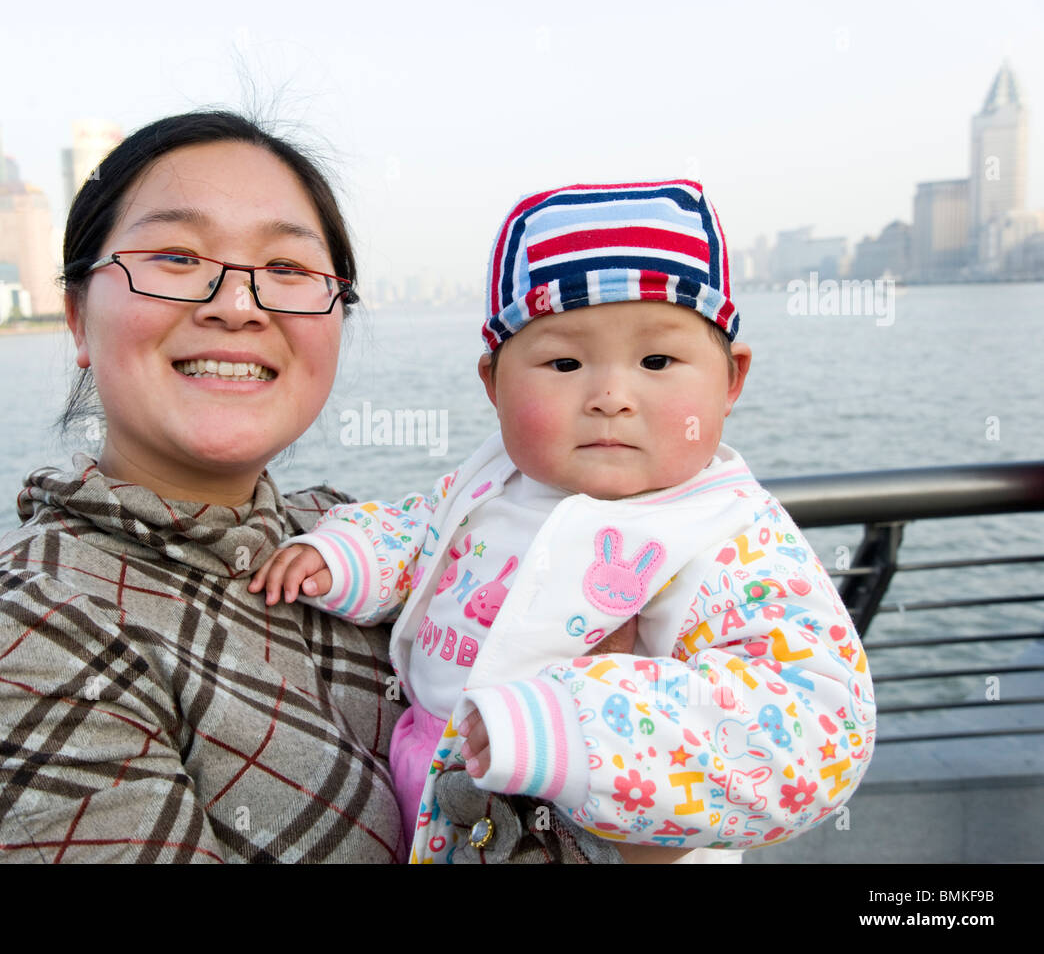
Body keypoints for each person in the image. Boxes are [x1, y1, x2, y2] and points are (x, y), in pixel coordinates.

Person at [252, 180, 877, 864]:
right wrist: (349, 555)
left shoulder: (727, 534)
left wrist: (579, 726)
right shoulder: (493, 476)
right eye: (564, 362)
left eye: (658, 361)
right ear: (494, 385)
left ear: (731, 380)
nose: (611, 395)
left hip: (591, 828)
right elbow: (422, 528)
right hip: (429, 792)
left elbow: (818, 726)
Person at [0, 111, 407, 863]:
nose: (238, 305)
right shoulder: (15, 635)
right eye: (175, 255)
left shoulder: (355, 539)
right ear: (77, 317)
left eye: (289, 270)